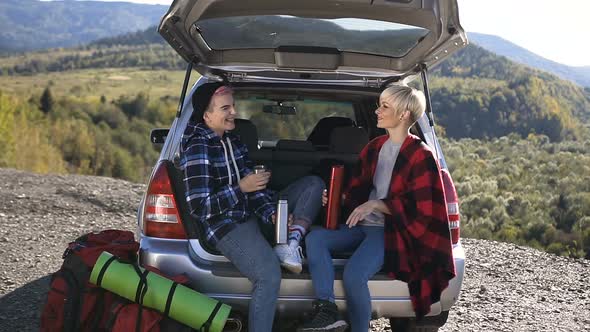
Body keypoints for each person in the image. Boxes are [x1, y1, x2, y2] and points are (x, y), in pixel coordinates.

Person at [297, 85, 455, 332]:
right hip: (360, 224)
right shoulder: (374, 147)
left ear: (403, 115)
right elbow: (355, 191)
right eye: (379, 104)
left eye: (384, 106)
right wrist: (335, 200)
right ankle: (327, 312)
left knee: (353, 275)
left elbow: (423, 211)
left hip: (389, 232)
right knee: (316, 238)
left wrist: (379, 204)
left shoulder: (421, 155)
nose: (377, 111)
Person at [180, 82, 324, 332]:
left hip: (251, 214)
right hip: (226, 225)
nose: (233, 112)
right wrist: (241, 188)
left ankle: (289, 244)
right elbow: (199, 207)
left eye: (233, 106)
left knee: (313, 184)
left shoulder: (233, 141)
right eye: (225, 108)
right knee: (268, 276)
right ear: (206, 115)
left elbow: (255, 191)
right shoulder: (197, 146)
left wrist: (271, 214)